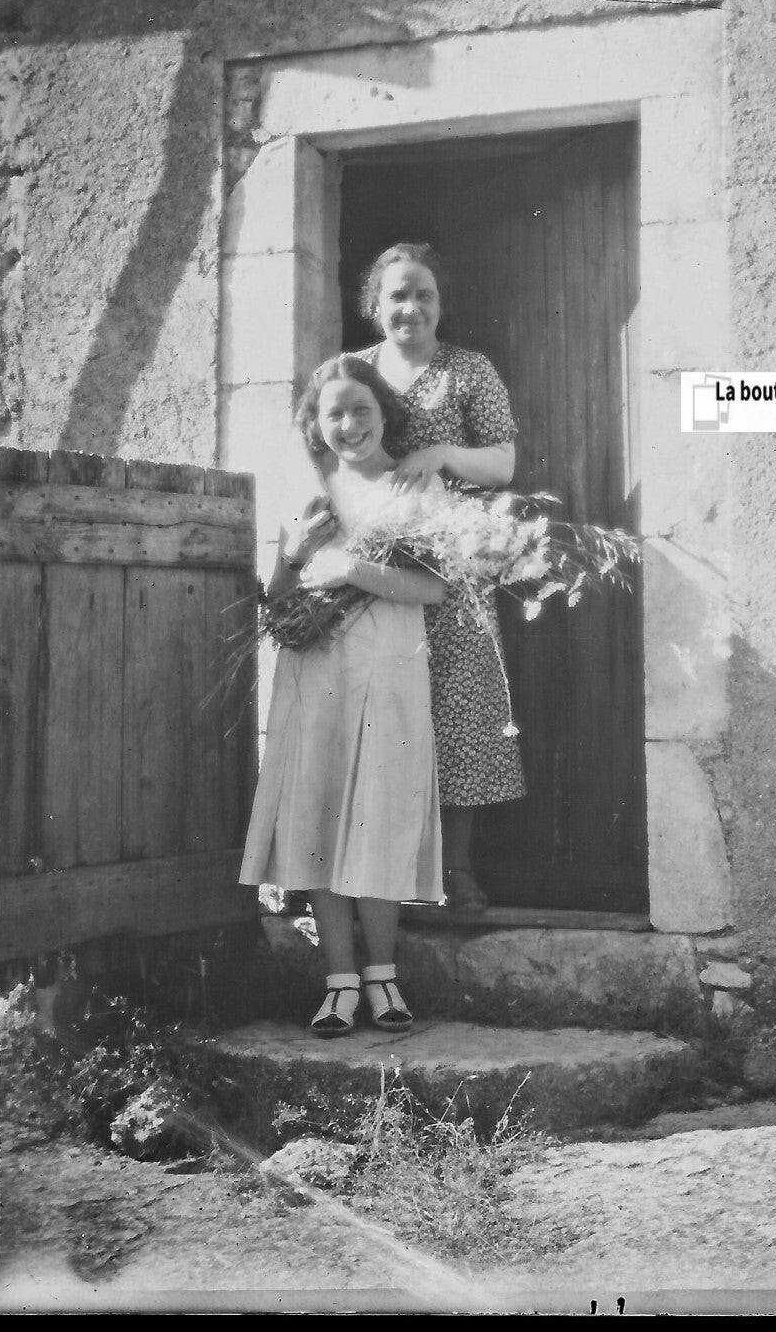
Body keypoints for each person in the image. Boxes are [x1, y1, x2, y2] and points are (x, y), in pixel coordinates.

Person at [239, 355, 446, 1036]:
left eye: (361, 409)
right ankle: (340, 984)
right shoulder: (312, 500)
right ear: (315, 424)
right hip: (319, 677)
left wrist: (355, 568)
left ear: (383, 411)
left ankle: (384, 978)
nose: (349, 424)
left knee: (379, 814)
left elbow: (435, 589)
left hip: (386, 672)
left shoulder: (412, 492)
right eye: (334, 413)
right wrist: (294, 556)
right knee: (325, 815)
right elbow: (274, 601)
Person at [355, 241, 526, 912]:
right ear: (375, 305)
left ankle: (454, 872)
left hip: (450, 567)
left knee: (460, 713)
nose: (411, 307)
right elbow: (319, 450)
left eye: (424, 294)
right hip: (370, 565)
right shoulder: (351, 373)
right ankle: (385, 871)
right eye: (398, 294)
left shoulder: (467, 370)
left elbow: (504, 464)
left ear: (440, 303)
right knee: (379, 711)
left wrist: (442, 452)